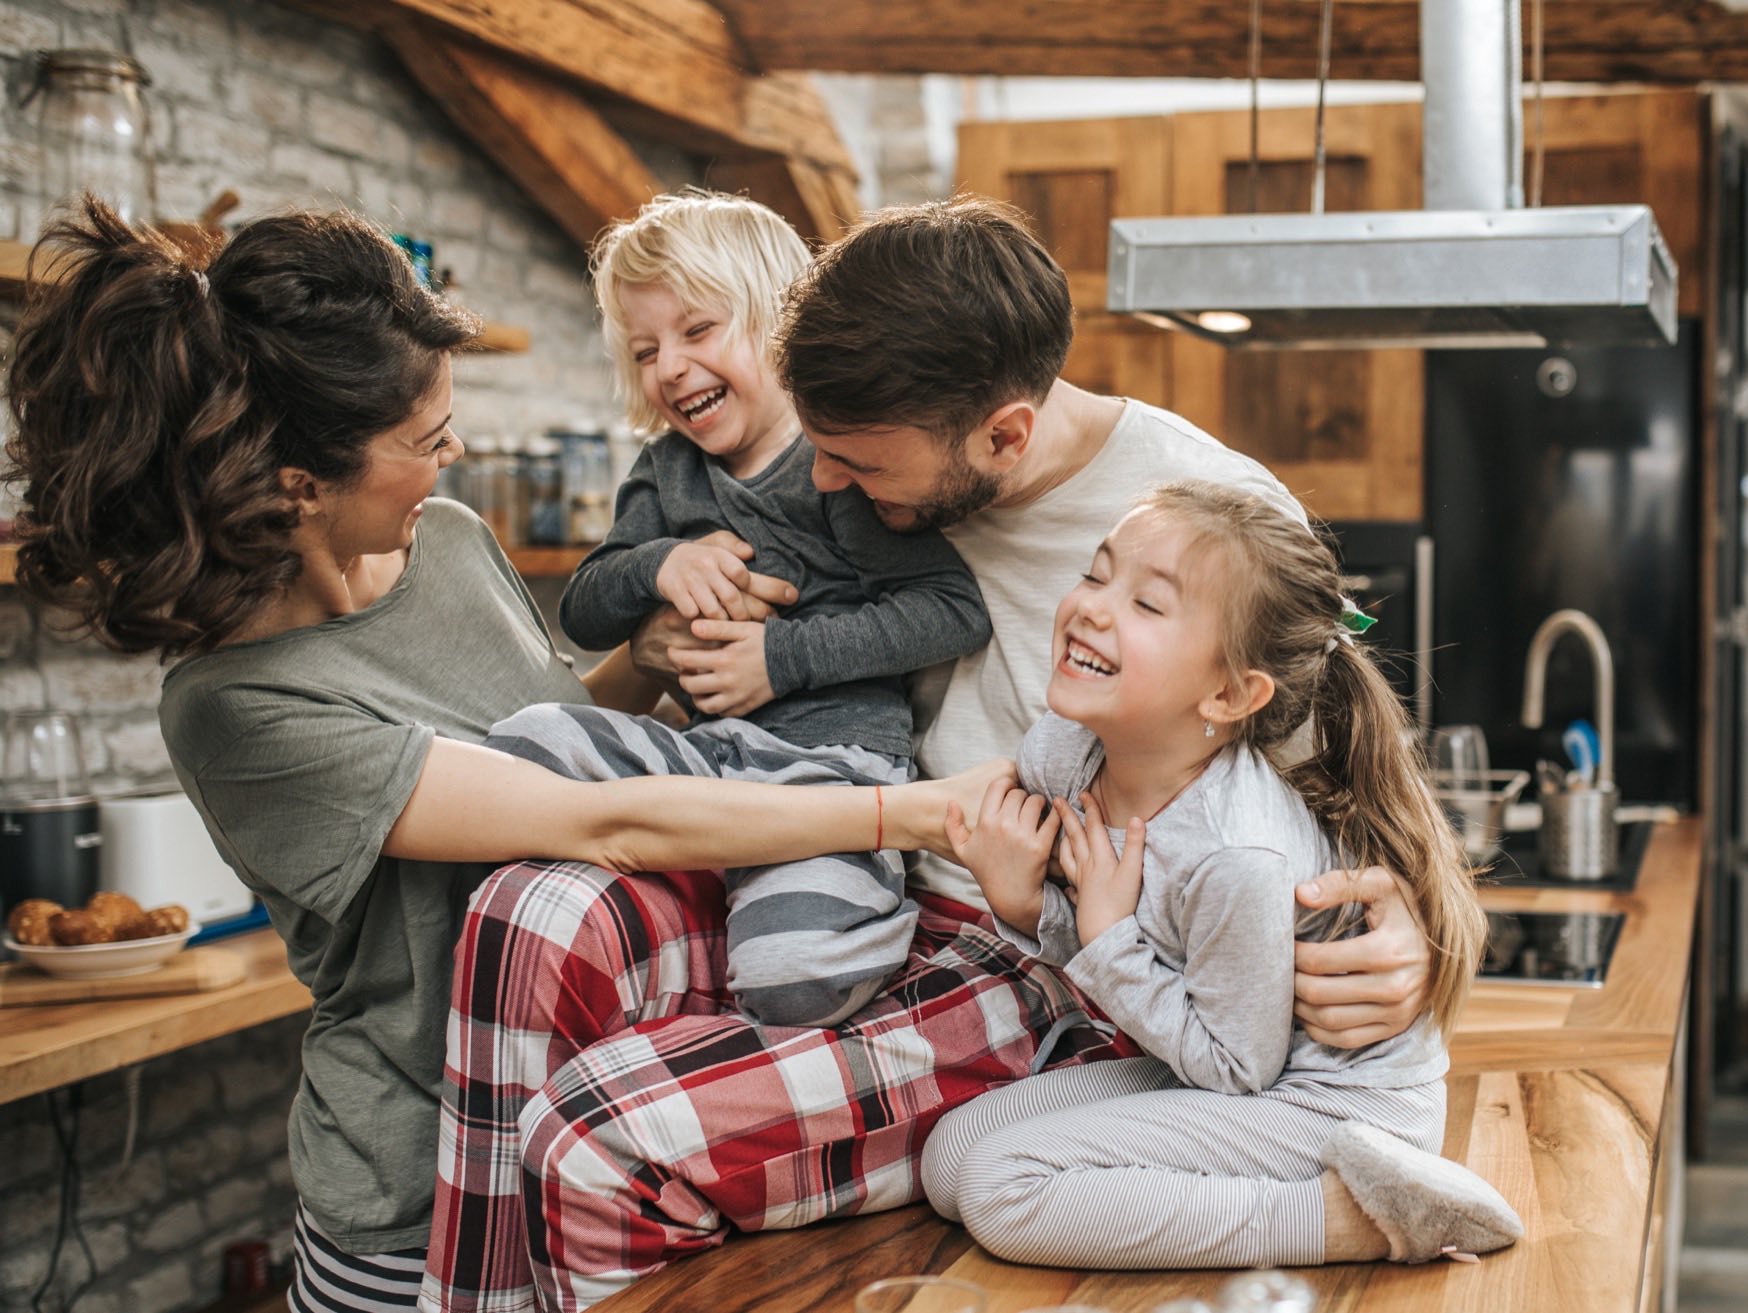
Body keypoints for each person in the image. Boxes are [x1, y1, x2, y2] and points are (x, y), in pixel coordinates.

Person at [425, 198, 1435, 1312]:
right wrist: (660, 637)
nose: (820, 488)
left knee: (593, 1138)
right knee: (532, 913)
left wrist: (1406, 928)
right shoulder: (869, 427)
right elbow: (672, 633)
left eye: (853, 464)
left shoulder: (1200, 524)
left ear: (1003, 435)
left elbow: (1341, 793)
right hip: (835, 853)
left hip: (1030, 952)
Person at [0, 197, 1004, 1313]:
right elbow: (595, 818)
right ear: (300, 484)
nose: (457, 453)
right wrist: (906, 813)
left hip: (583, 1111)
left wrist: (653, 653)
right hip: (416, 1194)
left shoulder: (450, 541)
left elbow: (552, 727)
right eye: (428, 441)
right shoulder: (238, 707)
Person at [921, 482, 1522, 1268]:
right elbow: (1122, 954)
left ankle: (1351, 1219)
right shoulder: (1063, 749)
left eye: (1148, 604)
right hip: (1210, 1067)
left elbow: (1239, 1067)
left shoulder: (1234, 852)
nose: (1094, 607)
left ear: (1230, 693)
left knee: (1002, 1185)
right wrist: (1026, 905)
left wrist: (1104, 940)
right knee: (950, 1158)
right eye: (1098, 575)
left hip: (1333, 1107)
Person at [499, 191, 992, 1027]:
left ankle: (864, 911)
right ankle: (717, 886)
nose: (671, 368)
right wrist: (660, 562)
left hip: (829, 774)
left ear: (779, 325)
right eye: (647, 349)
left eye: (698, 331)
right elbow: (585, 609)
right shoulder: (668, 472)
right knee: (521, 745)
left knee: (790, 978)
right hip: (707, 759)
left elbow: (950, 609)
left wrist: (780, 658)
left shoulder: (830, 465)